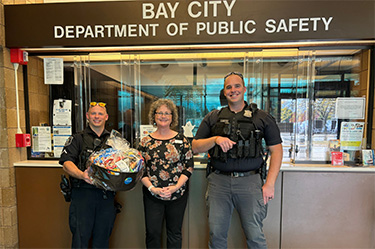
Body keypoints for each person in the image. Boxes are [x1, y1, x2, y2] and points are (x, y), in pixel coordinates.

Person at [192, 72, 283, 249]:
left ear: (244, 89)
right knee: (216, 235)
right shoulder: (213, 117)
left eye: (237, 86)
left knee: (255, 235)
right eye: (229, 87)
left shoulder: (262, 117)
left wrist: (270, 183)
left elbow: (277, 150)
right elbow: (195, 147)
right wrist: (215, 139)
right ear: (224, 92)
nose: (233, 90)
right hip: (219, 182)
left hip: (250, 182)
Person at [59, 101, 117, 248]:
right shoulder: (77, 138)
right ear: (87, 116)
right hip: (82, 196)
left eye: (100, 114)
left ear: (106, 117)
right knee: (80, 240)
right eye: (93, 113)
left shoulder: (115, 140)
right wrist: (82, 175)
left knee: (102, 241)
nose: (96, 116)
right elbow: (66, 163)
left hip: (106, 196)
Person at [138, 99, 194, 249]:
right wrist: (152, 189)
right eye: (160, 113)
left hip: (178, 194)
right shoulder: (145, 142)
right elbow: (140, 169)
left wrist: (175, 187)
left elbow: (188, 167)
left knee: (174, 233)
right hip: (152, 195)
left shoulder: (182, 140)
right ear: (154, 116)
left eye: (167, 113)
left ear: (172, 116)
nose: (163, 116)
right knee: (152, 233)